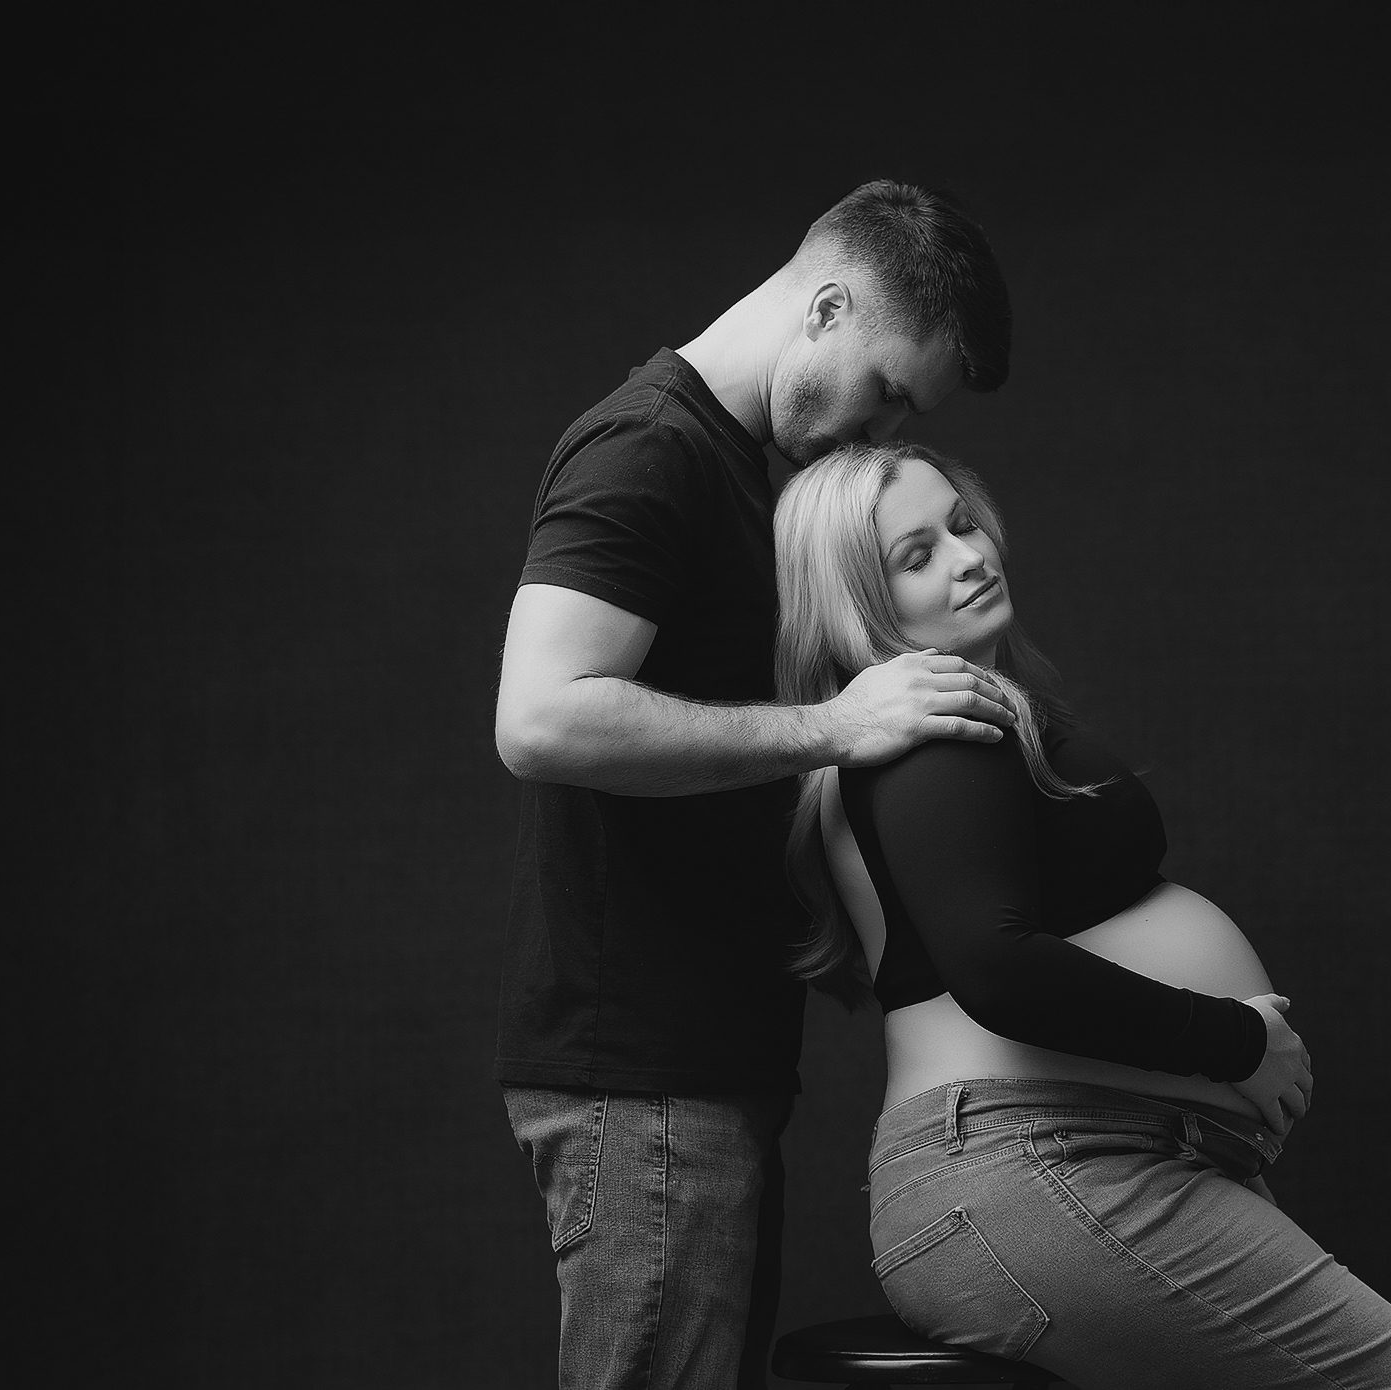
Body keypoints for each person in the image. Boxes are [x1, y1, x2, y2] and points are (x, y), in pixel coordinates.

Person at [773, 440, 1391, 1390]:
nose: (968, 555)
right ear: (863, 608)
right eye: (917, 557)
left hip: (1079, 1159)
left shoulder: (960, 721)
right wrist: (1234, 1041)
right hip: (1036, 1166)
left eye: (962, 522)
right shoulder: (934, 736)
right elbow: (996, 969)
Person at [492, 181, 1020, 1390]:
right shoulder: (649, 452)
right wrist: (836, 725)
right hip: (643, 1074)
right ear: (826, 306)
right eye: (886, 389)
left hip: (699, 1068)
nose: (879, 434)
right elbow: (540, 716)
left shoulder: (744, 473)